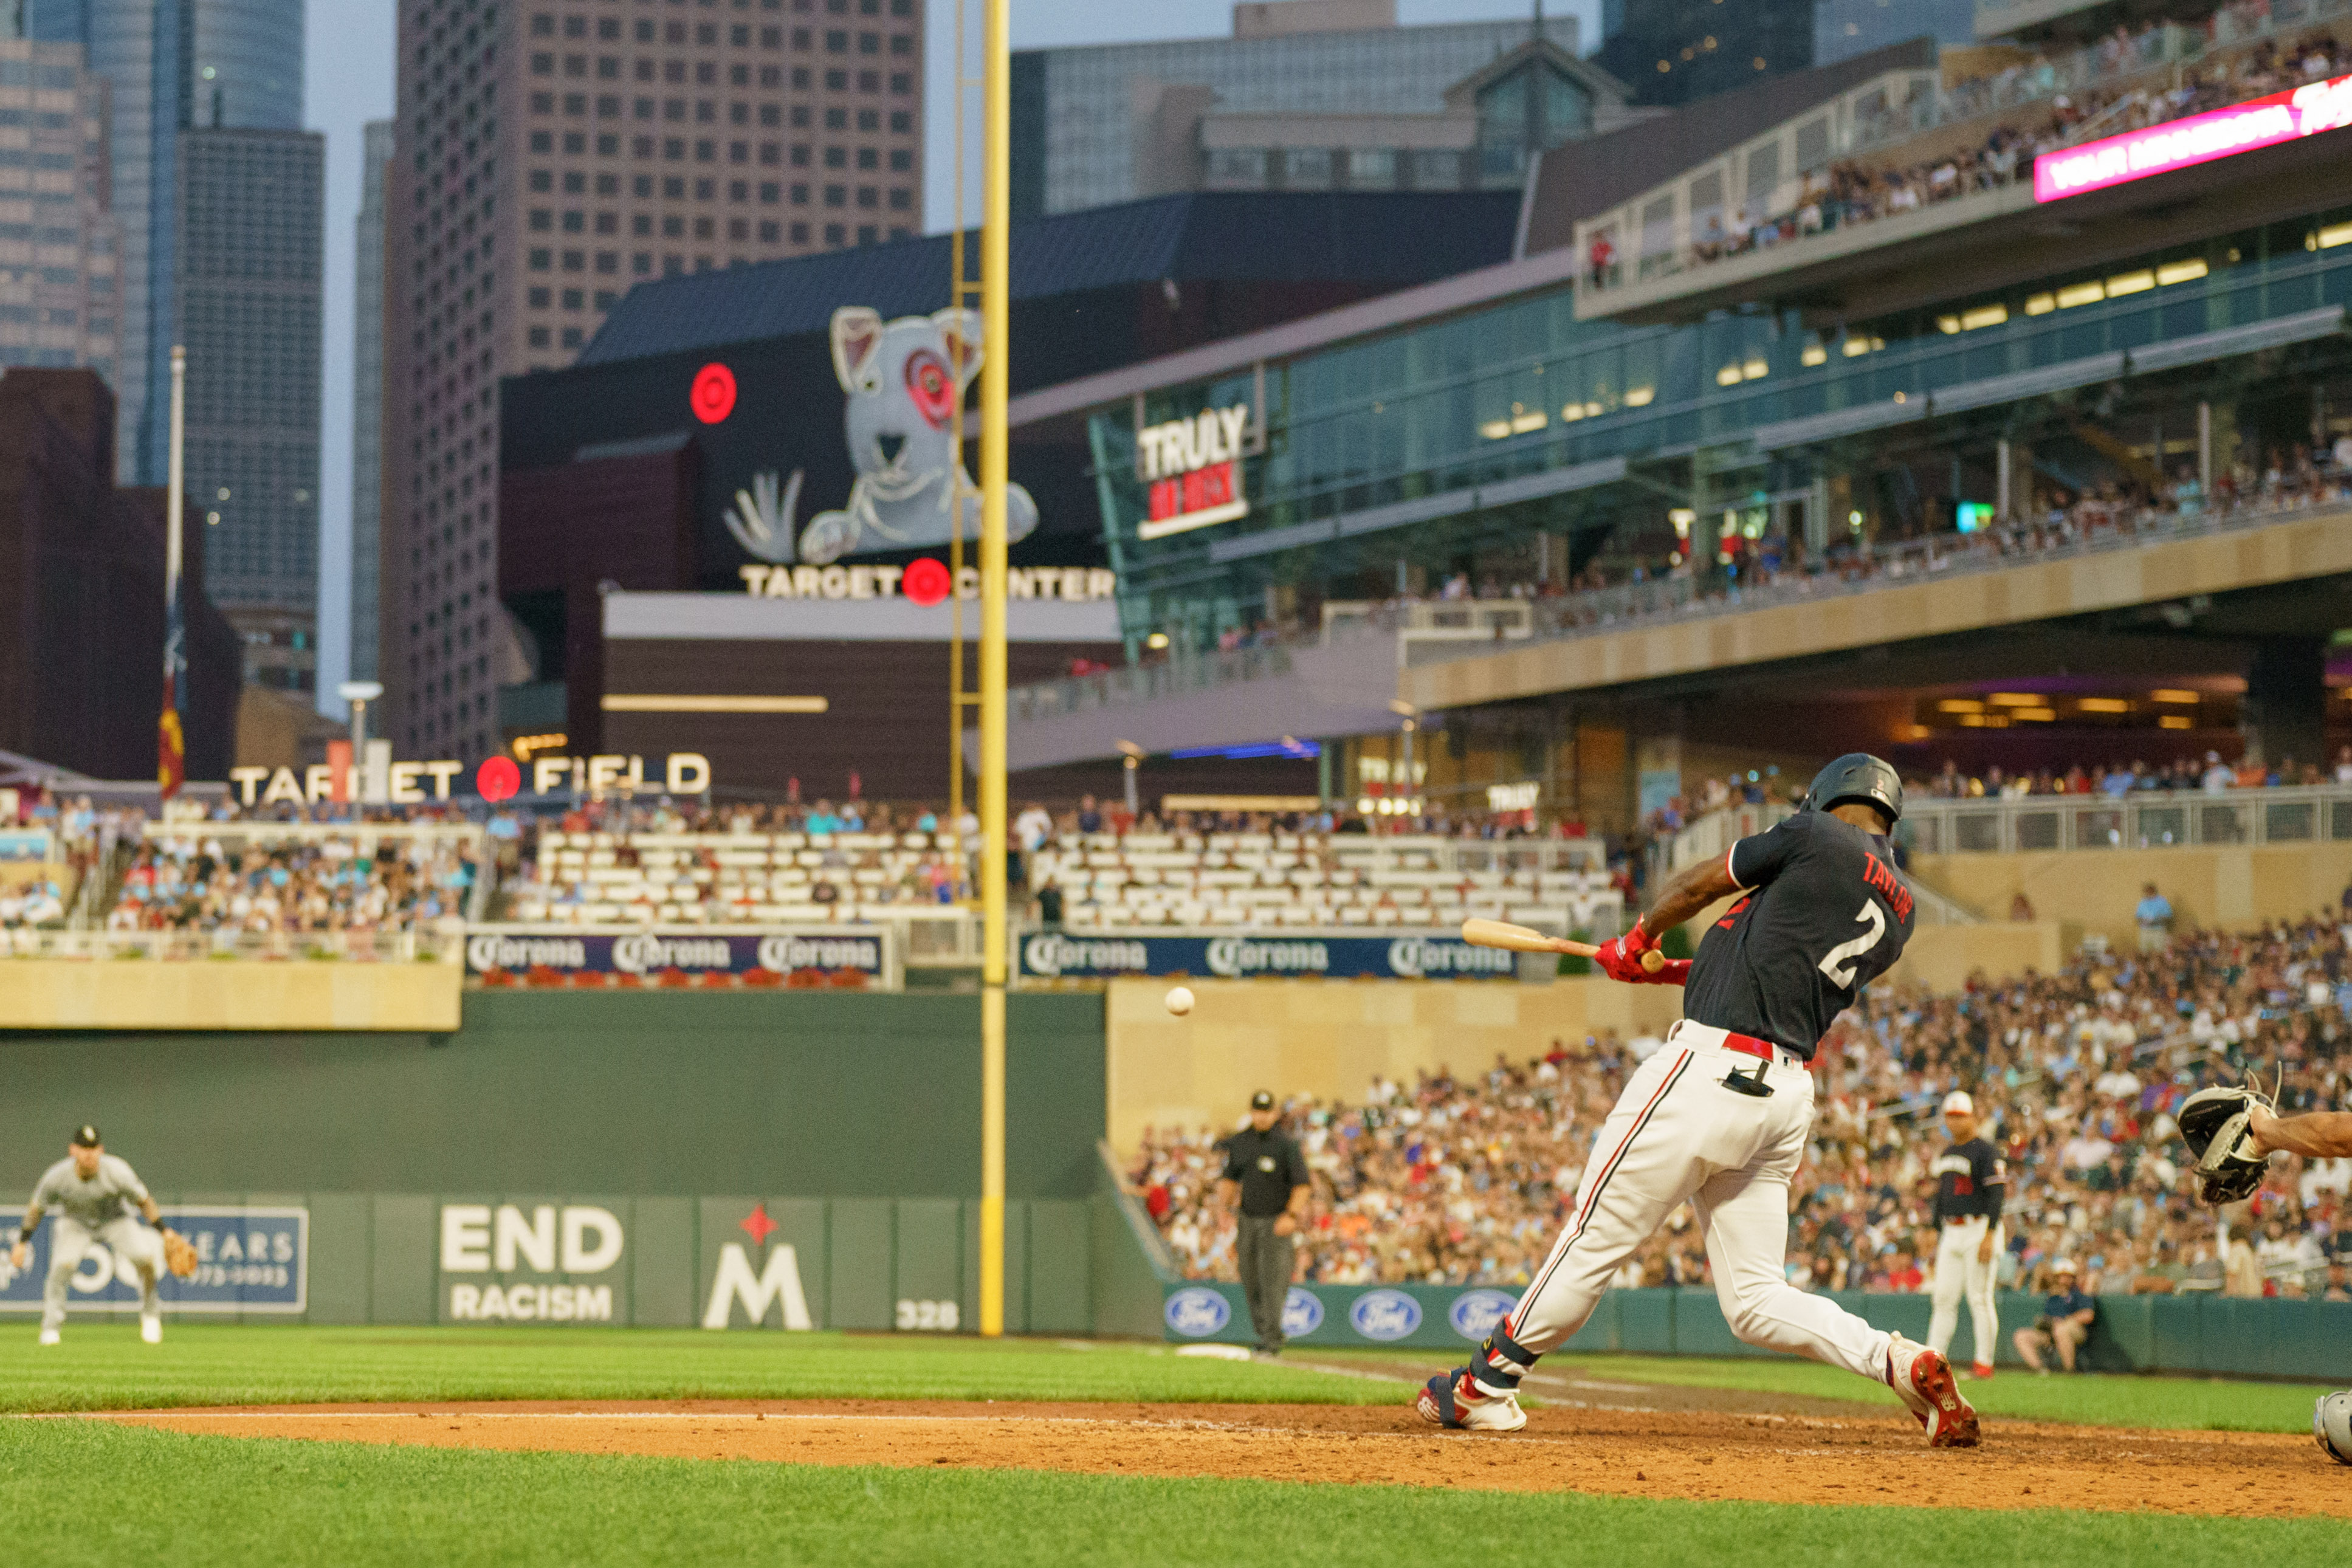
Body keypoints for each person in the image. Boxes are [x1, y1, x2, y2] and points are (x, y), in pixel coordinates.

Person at [1416, 754, 1980, 1447]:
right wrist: (1669, 970)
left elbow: (1697, 883)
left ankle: (1484, 1386)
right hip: (1783, 1096)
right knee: (1756, 1300)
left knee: (1592, 1238)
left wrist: (1640, 935)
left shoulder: (1812, 834)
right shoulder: (1902, 909)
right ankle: (1896, 1360)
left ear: (1825, 796)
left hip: (1706, 1072)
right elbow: (1784, 965)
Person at [9, 1126, 182, 1346]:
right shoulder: (57, 1176)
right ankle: (51, 1328)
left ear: (101, 1150)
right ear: (73, 1151)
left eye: (93, 1148)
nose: (88, 1153)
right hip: (75, 1223)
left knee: (145, 1258)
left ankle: (151, 1315)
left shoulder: (118, 1171)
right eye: (83, 1148)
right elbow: (37, 1208)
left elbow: (144, 1201)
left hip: (116, 1221)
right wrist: (22, 1242)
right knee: (62, 1266)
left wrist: (164, 1231)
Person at [1219, 1091, 1310, 1357]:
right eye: (1258, 1111)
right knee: (1250, 1278)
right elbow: (1229, 1178)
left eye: (1267, 1111)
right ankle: (1267, 1333)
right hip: (1247, 1219)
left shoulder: (1287, 1145)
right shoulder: (1240, 1142)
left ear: (1275, 1113)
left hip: (1275, 1220)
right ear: (1252, 1112)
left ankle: (1271, 1340)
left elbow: (1302, 1185)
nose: (1262, 1116)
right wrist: (1223, 1209)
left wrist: (1291, 1216)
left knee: (1274, 1281)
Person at [1925, 1090, 2006, 1379]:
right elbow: (1942, 1196)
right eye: (1950, 1116)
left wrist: (1991, 1234)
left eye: (1960, 1116)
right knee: (1943, 1299)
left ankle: (1984, 1365)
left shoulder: (1986, 1151)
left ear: (1972, 1117)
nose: (1955, 1121)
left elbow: (1997, 1194)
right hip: (1952, 1229)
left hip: (1978, 1227)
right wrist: (1936, 1231)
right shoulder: (1947, 1153)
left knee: (1979, 1298)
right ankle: (1933, 1363)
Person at [2012, 1259, 2096, 1373]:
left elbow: (2088, 1315)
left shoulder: (2079, 1294)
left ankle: (2069, 1370)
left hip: (2075, 1331)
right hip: (2051, 1333)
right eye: (2061, 1276)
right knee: (2021, 1335)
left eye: (2068, 1277)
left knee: (2061, 1330)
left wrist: (2066, 1321)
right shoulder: (2053, 1297)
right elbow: (2049, 1316)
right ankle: (2040, 1369)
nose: (2064, 1280)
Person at [2133, 882, 2172, 954]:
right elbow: (2138, 917)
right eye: (2146, 891)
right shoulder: (2142, 902)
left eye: (2150, 891)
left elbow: (2168, 916)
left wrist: (2157, 920)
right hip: (2145, 930)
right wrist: (2143, 921)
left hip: (2158, 930)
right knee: (2144, 951)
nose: (2148, 893)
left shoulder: (2162, 901)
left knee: (2159, 951)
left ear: (2154, 890)